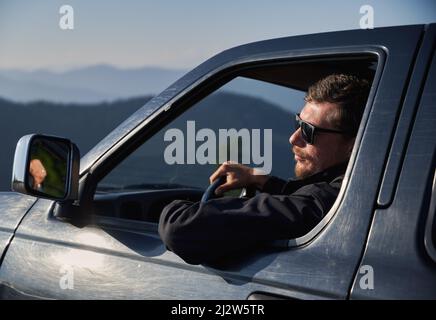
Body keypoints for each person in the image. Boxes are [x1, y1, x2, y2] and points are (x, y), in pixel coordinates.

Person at [158, 74, 370, 265]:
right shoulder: (356, 187)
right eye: (298, 123)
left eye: (308, 130)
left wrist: (168, 209)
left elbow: (181, 229)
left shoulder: (329, 202)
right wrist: (258, 179)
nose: (293, 138)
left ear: (352, 143)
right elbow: (301, 200)